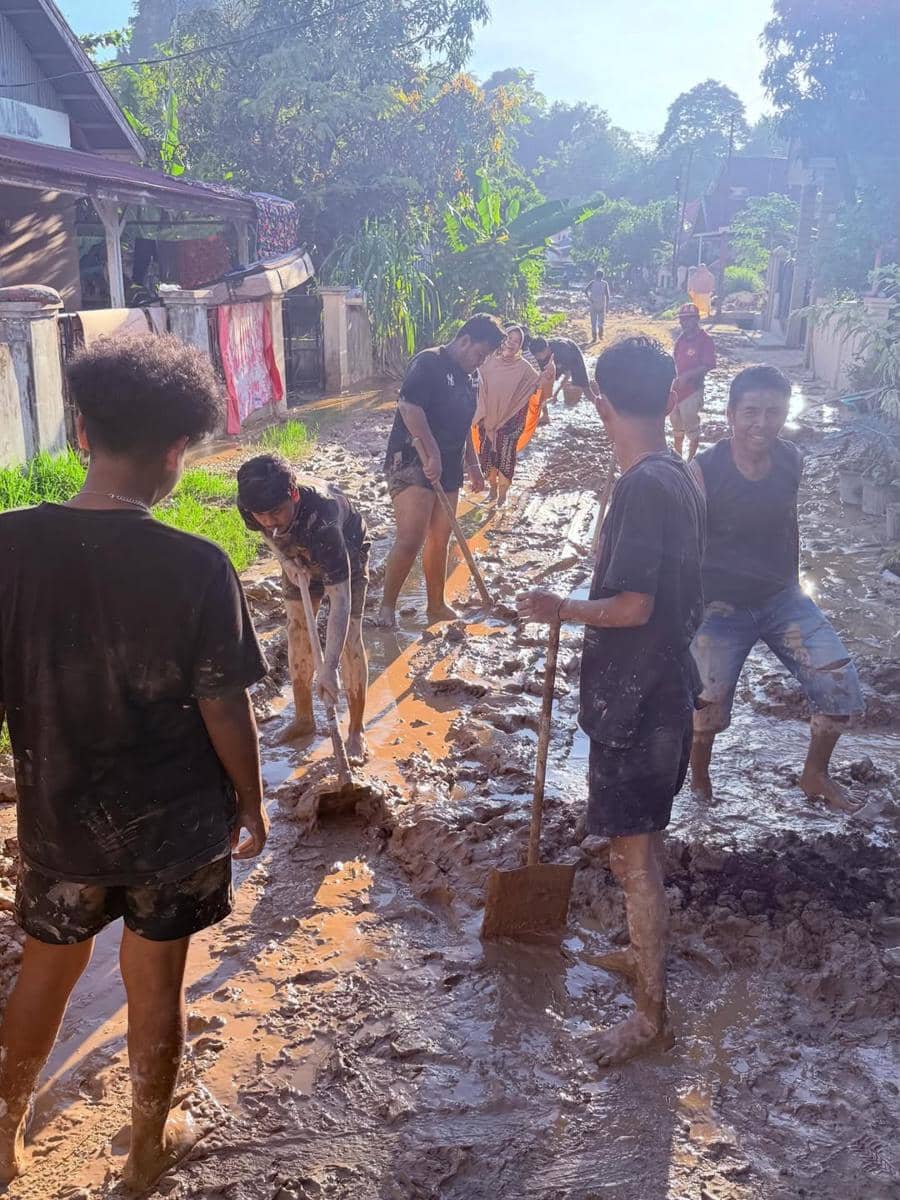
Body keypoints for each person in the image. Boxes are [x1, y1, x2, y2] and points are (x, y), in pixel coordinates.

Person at [0, 336, 269, 1189]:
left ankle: (1, 1136)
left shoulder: (6, 547)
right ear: (175, 451)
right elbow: (225, 708)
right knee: (155, 984)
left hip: (58, 821)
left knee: (47, 969)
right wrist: (251, 804)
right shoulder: (196, 566)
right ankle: (149, 1147)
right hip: (174, 830)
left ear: (81, 430)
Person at [519, 336, 705, 1066]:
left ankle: (649, 1015)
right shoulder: (676, 473)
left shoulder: (642, 486)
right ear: (668, 399)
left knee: (638, 862)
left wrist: (558, 606)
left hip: (642, 702)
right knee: (640, 853)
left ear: (598, 405)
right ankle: (640, 955)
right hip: (659, 690)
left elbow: (633, 605)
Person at [689, 365, 864, 812]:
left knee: (839, 682)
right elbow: (684, 542)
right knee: (705, 705)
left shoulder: (791, 459)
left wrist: (793, 580)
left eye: (773, 412)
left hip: (782, 599)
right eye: (750, 412)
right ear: (729, 414)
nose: (761, 424)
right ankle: (699, 777)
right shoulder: (704, 470)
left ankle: (815, 775)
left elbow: (790, 523)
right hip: (721, 606)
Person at [237, 454, 371, 762]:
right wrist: (285, 558)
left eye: (277, 512)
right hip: (294, 551)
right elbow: (265, 533)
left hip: (345, 544)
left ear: (293, 494)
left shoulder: (324, 519)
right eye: (262, 515)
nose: (270, 521)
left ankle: (356, 730)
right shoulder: (250, 501)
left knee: (349, 637)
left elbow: (339, 601)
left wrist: (330, 667)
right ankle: (303, 719)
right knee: (297, 630)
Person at [375, 313, 504, 628]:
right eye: (479, 354)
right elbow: (409, 407)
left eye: (485, 358)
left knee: (441, 537)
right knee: (412, 537)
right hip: (412, 458)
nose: (479, 361)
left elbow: (463, 426)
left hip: (446, 464)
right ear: (464, 341)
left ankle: (436, 605)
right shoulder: (428, 362)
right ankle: (386, 609)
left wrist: (472, 465)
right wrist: (431, 453)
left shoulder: (470, 377)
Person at [474, 326, 555, 506]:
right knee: (487, 457)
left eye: (516, 341)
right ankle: (493, 489)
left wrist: (549, 374)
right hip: (487, 420)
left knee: (505, 456)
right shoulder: (487, 363)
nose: (511, 343)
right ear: (502, 339)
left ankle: (502, 495)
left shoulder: (524, 368)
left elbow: (538, 386)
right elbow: (475, 384)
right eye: (509, 338)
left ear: (520, 346)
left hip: (511, 421)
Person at [671, 302, 716, 461]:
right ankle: (677, 457)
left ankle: (690, 460)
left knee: (691, 424)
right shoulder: (681, 339)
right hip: (677, 390)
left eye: (688, 320)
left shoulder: (705, 340)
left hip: (692, 390)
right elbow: (674, 361)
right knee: (675, 423)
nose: (684, 323)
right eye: (682, 320)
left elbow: (708, 364)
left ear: (696, 319)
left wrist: (688, 375)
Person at [531, 336, 596, 406]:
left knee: (585, 388)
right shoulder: (539, 356)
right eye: (535, 356)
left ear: (546, 350)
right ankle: (545, 415)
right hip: (556, 359)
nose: (537, 358)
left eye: (538, 356)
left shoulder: (562, 350)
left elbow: (567, 374)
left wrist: (556, 393)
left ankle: (600, 406)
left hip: (573, 353)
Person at [585, 269, 611, 342]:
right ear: (603, 276)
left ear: (595, 275)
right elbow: (607, 295)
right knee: (601, 322)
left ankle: (594, 338)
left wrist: (589, 298)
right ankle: (600, 335)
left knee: (593, 322)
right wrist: (607, 306)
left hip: (593, 303)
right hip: (602, 304)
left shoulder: (592, 283)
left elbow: (585, 290)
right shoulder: (605, 284)